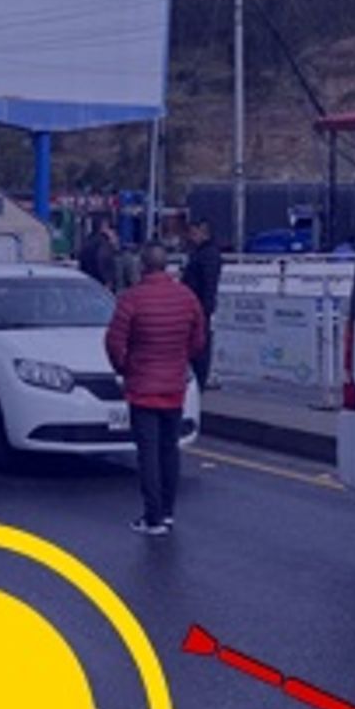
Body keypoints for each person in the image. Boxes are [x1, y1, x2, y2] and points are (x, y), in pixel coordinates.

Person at [105, 242, 205, 539]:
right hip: (173, 384)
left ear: (142, 266)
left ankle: (153, 516)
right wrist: (180, 359)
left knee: (147, 453)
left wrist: (125, 367)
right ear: (167, 266)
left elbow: (114, 342)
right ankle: (168, 512)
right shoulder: (186, 297)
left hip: (142, 386)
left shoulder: (131, 299)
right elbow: (198, 339)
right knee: (169, 450)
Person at [181, 219, 223, 391]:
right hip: (194, 307)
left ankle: (199, 381)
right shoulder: (199, 253)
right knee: (195, 345)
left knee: (200, 347)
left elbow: (208, 284)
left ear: (203, 233)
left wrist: (205, 309)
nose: (191, 237)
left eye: (194, 233)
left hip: (199, 308)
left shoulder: (208, 255)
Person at [78, 218, 117, 290]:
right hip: (100, 281)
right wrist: (107, 280)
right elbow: (102, 260)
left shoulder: (88, 241)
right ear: (103, 227)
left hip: (89, 279)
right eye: (109, 227)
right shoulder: (103, 243)